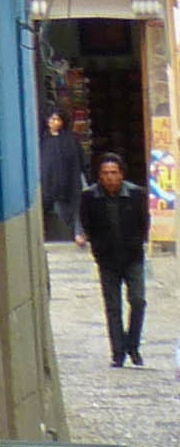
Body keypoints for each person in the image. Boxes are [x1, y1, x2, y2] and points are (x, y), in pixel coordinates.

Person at [84, 150, 151, 366]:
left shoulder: (136, 194)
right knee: (113, 307)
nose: (110, 177)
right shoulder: (90, 197)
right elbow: (88, 225)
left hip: (133, 257)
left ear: (121, 174)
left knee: (138, 300)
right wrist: (98, 250)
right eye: (106, 173)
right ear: (99, 175)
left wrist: (136, 243)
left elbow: (144, 223)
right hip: (107, 259)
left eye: (114, 172)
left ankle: (133, 344)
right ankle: (118, 352)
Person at [45, 107, 91, 241]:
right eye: (52, 119)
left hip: (72, 181)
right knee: (60, 213)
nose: (55, 122)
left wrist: (85, 177)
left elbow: (81, 160)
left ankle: (79, 233)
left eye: (58, 119)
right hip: (52, 185)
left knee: (77, 208)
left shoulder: (71, 139)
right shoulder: (43, 141)